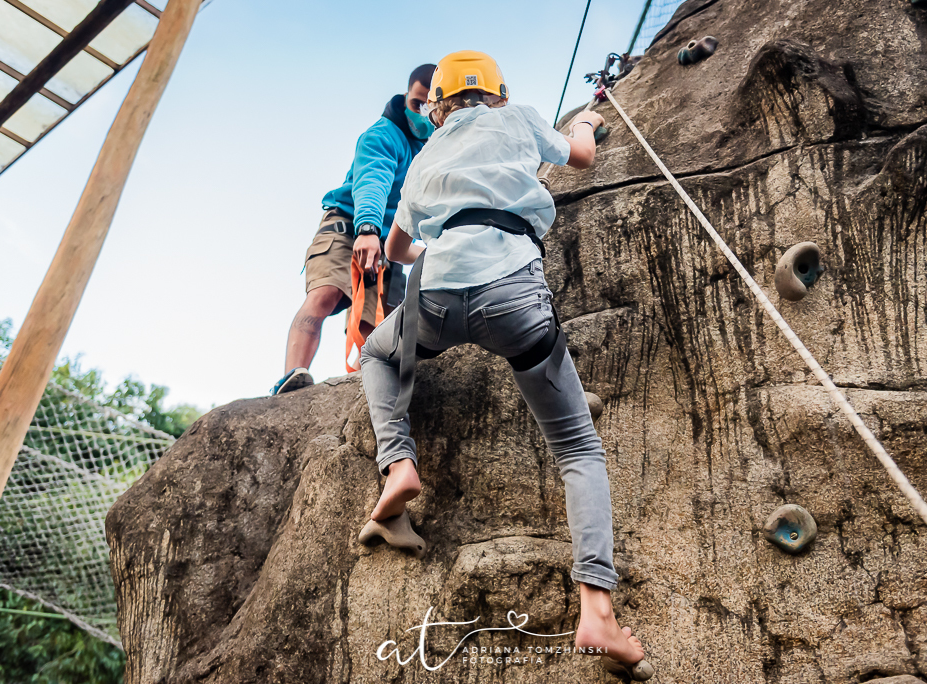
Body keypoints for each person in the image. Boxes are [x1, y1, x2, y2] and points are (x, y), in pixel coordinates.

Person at [357, 51, 654, 680]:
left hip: (435, 295)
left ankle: (399, 463)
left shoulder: (424, 158)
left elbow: (398, 248)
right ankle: (596, 608)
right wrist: (580, 127)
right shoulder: (518, 118)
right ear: (496, 94)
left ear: (437, 106)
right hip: (512, 293)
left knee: (376, 355)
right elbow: (581, 155)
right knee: (577, 448)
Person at [270, 63, 437, 396]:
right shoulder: (383, 134)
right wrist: (368, 229)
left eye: (428, 106)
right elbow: (372, 180)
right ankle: (292, 379)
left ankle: (364, 390)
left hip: (390, 245)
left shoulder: (433, 150)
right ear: (406, 96)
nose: (421, 112)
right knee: (325, 294)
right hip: (351, 226)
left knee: (381, 322)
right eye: (415, 102)